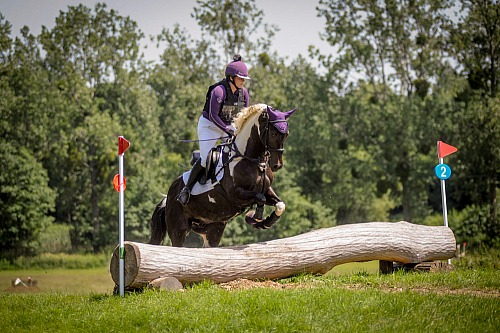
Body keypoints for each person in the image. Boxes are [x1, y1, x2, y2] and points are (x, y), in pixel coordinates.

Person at [176, 55, 251, 205]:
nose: (243, 82)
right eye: (240, 78)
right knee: (205, 159)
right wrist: (227, 130)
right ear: (231, 78)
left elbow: (245, 116)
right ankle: (186, 189)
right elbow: (213, 115)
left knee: (239, 153)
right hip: (210, 125)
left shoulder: (244, 94)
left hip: (229, 126)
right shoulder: (219, 91)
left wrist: (239, 131)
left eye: (244, 79)